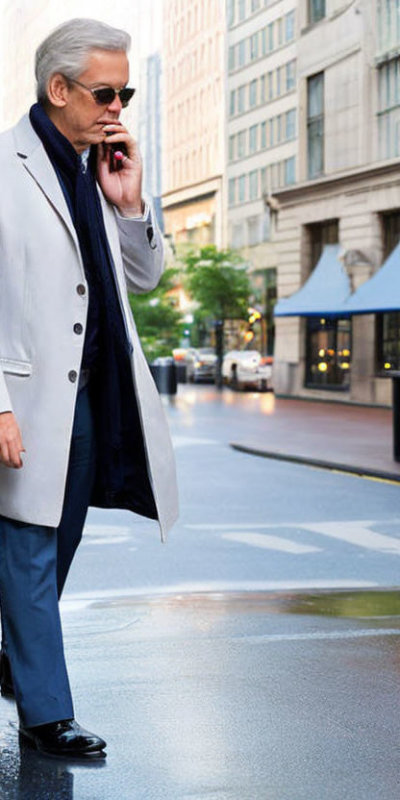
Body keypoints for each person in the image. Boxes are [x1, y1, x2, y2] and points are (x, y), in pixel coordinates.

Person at [0, 18, 178, 759]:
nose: (118, 107)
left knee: (56, 540)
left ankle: (18, 662)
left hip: (88, 399)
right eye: (106, 92)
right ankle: (47, 715)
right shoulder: (6, 167)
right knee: (31, 547)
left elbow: (146, 277)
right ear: (58, 88)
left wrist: (130, 202)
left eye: (126, 92)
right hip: (25, 397)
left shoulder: (96, 170)